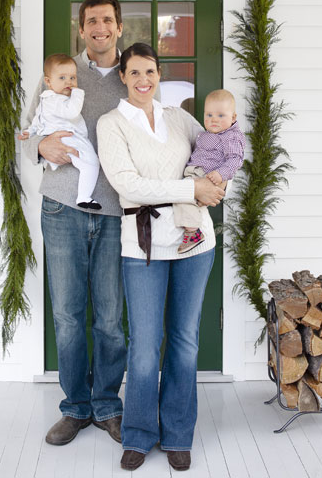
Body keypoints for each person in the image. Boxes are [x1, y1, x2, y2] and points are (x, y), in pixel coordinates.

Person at [97, 43, 225, 472]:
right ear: (123, 77)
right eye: (134, 73)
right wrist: (191, 190)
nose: (143, 80)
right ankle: (138, 434)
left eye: (149, 71)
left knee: (185, 342)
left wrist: (219, 181)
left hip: (194, 242)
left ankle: (176, 435)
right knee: (145, 346)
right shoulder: (111, 124)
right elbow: (128, 186)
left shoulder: (179, 118)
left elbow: (216, 149)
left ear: (158, 74)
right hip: (143, 244)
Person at [21, 0, 128, 446]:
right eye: (91, 21)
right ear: (81, 30)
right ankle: (75, 408)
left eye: (107, 20)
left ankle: (106, 405)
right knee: (67, 315)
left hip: (117, 211)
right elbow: (26, 132)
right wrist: (40, 147)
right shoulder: (61, 73)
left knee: (109, 317)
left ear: (118, 28)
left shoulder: (134, 76)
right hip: (62, 207)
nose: (100, 28)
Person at [19, 53, 102, 210]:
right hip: (68, 140)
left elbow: (38, 120)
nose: (69, 82)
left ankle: (84, 196)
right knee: (91, 164)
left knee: (89, 164)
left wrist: (30, 132)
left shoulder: (47, 99)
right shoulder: (56, 100)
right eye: (62, 78)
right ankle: (84, 197)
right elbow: (71, 112)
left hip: (68, 139)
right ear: (48, 82)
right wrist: (78, 93)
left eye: (72, 78)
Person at [174, 89, 245, 253]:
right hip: (198, 172)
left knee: (182, 194)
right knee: (184, 197)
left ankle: (193, 233)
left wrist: (221, 174)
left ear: (233, 117)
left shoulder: (231, 137)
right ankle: (192, 227)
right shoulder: (207, 133)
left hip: (207, 174)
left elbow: (236, 159)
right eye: (209, 115)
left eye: (221, 116)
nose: (214, 120)